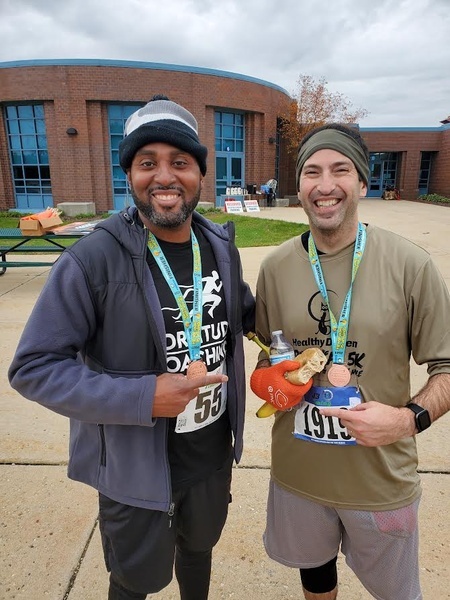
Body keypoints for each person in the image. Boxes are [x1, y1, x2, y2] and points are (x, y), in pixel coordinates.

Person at [9, 94, 255, 600]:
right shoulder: (91, 260)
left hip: (209, 455)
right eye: (148, 163)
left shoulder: (220, 248)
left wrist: (290, 346)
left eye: (180, 162)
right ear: (129, 175)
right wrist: (144, 397)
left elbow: (245, 314)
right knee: (133, 580)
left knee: (199, 551)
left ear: (199, 174)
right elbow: (33, 367)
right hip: (134, 466)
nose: (164, 177)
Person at [249, 123, 450, 600]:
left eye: (340, 170)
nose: (325, 185)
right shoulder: (275, 268)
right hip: (299, 474)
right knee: (315, 576)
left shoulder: (409, 265)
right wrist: (269, 381)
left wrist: (406, 420)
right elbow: (268, 354)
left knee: (399, 593)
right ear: (299, 186)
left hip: (379, 479)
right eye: (312, 172)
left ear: (362, 182)